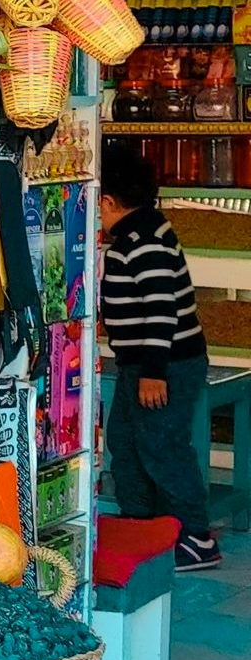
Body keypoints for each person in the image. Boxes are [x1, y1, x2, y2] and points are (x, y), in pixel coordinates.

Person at [100, 144, 219, 571]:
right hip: (142, 366)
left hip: (164, 367)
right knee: (127, 444)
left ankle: (194, 535)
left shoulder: (143, 240)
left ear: (108, 201)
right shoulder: (139, 231)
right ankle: (142, 527)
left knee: (163, 447)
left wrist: (153, 373)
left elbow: (161, 308)